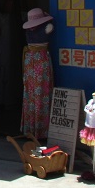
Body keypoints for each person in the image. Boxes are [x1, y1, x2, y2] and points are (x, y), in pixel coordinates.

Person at [21, 8, 55, 139]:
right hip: (41, 60)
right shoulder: (47, 27)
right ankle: (42, 129)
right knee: (43, 91)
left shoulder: (28, 31)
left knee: (30, 92)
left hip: (30, 61)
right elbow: (51, 21)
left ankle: (30, 127)